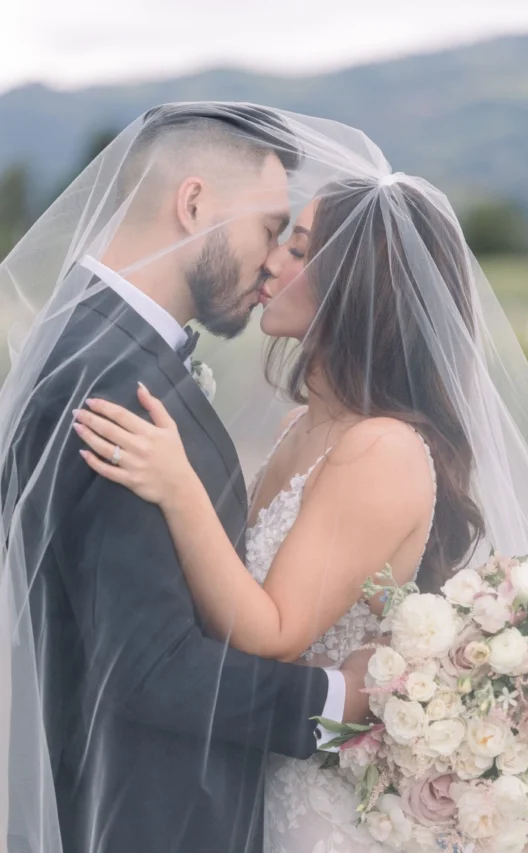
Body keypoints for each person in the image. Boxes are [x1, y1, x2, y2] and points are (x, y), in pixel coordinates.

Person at [0, 105, 380, 853]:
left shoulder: (98, 342)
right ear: (195, 204)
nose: (273, 263)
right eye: (269, 228)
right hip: (144, 820)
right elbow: (149, 666)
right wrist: (343, 701)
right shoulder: (112, 384)